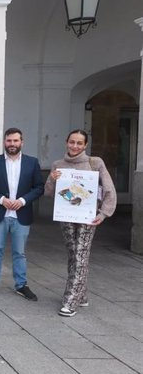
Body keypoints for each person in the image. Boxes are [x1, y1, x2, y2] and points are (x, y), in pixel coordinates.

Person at [44, 129, 116, 317]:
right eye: (72, 142)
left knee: (80, 255)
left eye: (79, 143)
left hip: (88, 218)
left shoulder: (95, 163)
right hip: (66, 216)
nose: (75, 146)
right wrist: (52, 179)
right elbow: (48, 192)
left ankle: (71, 299)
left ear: (85, 145)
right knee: (73, 254)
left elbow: (109, 188)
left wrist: (104, 213)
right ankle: (82, 294)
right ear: (67, 142)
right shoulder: (58, 165)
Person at [0, 128, 44, 300]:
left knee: (19, 252)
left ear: (22, 142)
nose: (12, 144)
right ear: (4, 142)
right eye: (9, 141)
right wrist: (1, 199)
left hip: (21, 214)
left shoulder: (32, 162)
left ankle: (21, 285)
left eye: (15, 141)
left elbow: (39, 188)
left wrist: (22, 201)